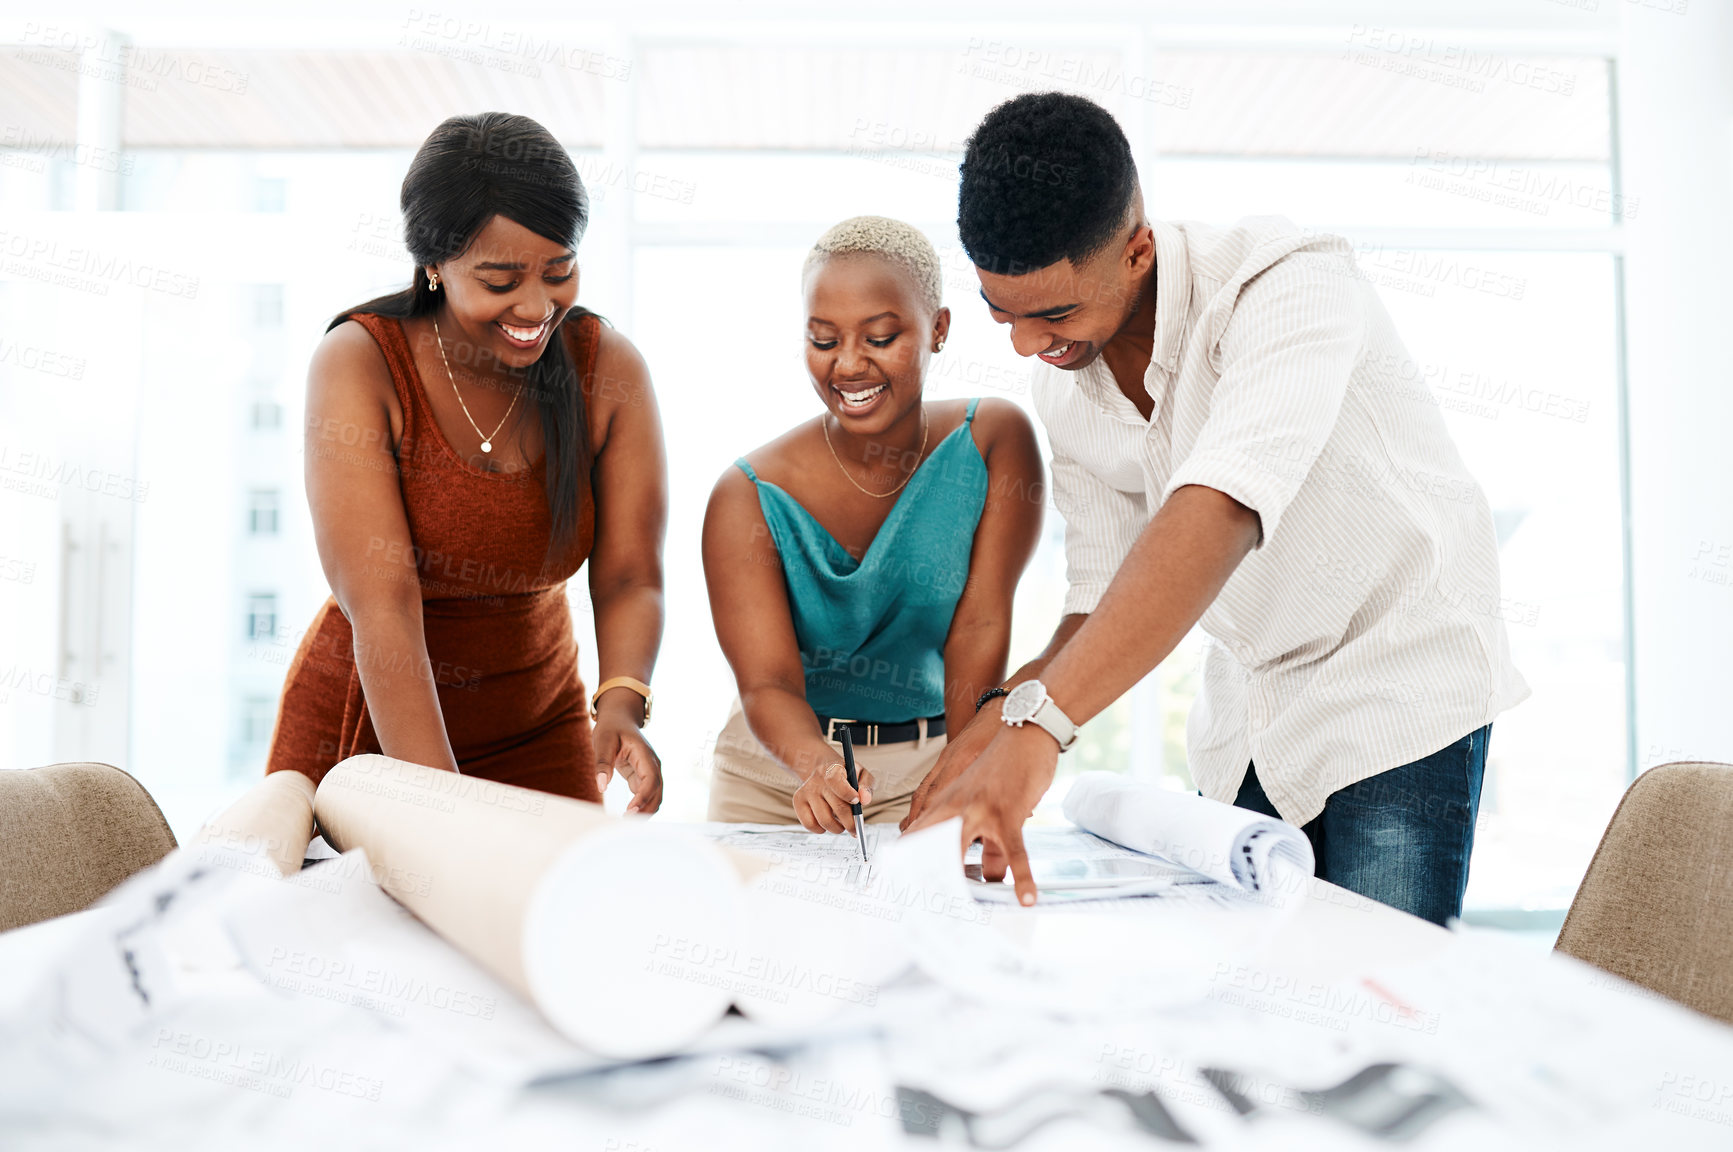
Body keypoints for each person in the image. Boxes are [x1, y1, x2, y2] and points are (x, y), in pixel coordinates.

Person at [905, 93, 1528, 924]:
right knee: (1248, 994)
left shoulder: (1286, 284)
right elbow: (1093, 600)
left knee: (1370, 1002)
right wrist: (997, 719)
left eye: (1053, 313)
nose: (1026, 344)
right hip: (1252, 710)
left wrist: (1040, 731)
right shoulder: (1064, 389)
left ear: (1136, 251)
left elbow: (1219, 510)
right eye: (999, 311)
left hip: (1395, 684)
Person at [265, 112, 667, 810]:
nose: (538, 305)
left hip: (540, 722)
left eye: (559, 270)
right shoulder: (361, 363)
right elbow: (383, 607)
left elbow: (631, 572)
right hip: (373, 728)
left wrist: (622, 704)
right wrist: (446, 814)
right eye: (501, 279)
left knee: (558, 909)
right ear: (432, 264)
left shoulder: (606, 369)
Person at [703, 216, 1043, 833]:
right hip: (781, 779)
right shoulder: (746, 494)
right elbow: (767, 683)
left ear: (938, 329)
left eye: (882, 337)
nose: (849, 366)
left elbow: (980, 625)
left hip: (930, 764)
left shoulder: (993, 441)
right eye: (824, 340)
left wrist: (964, 768)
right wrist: (817, 767)